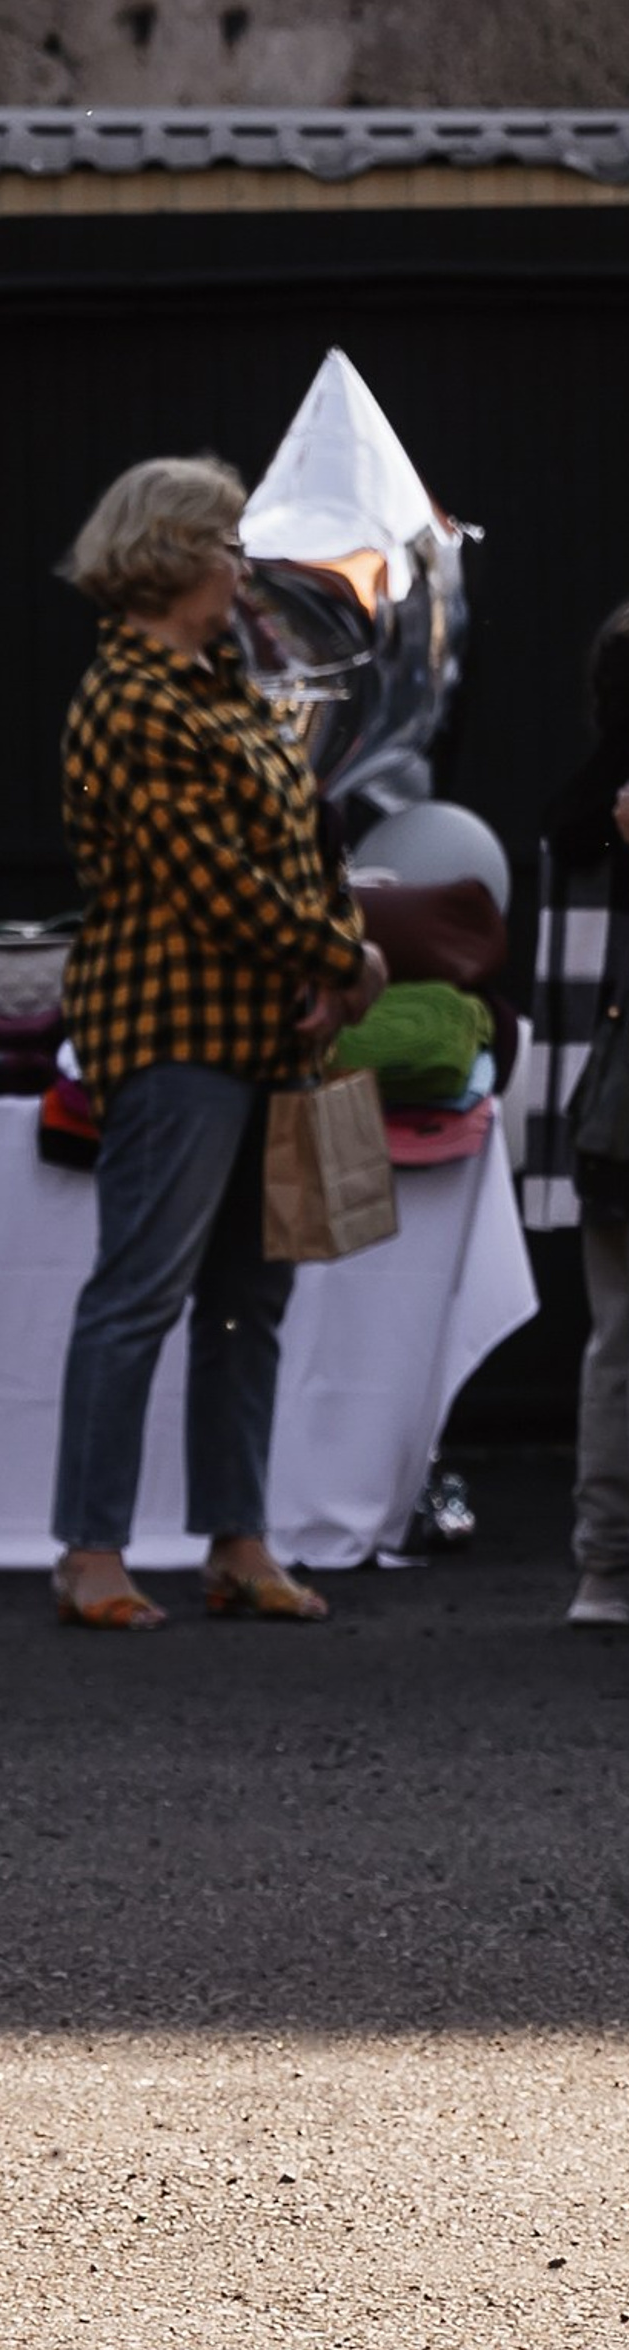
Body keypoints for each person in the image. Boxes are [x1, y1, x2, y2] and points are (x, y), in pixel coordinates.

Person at [49, 454, 384, 1630]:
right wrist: (345, 960)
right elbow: (213, 882)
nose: (245, 569)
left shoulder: (225, 682)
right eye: (232, 546)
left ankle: (236, 1541)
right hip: (172, 1036)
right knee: (138, 1295)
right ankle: (89, 1552)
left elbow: (307, 844)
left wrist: (332, 958)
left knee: (251, 1302)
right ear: (175, 552)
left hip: (268, 1038)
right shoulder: (128, 697)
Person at [542, 601, 629, 1629]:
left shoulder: (585, 810)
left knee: (619, 1343)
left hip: (611, 1110)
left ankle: (607, 1569)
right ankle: (607, 1566)